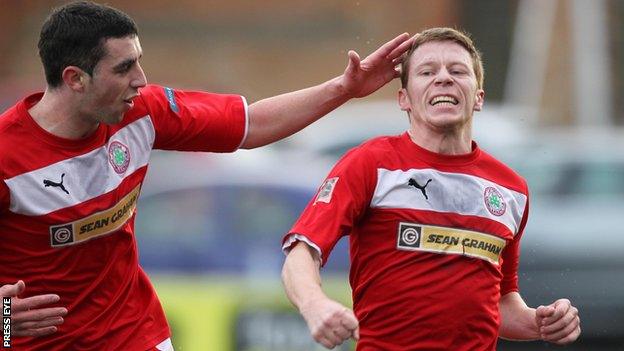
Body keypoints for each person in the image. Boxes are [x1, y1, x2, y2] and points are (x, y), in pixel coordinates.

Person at [0, 1, 414, 350]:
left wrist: (344, 88)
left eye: (139, 63)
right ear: (75, 78)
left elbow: (252, 124)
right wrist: (1, 322)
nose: (140, 81)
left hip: (133, 334)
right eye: (124, 68)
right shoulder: (7, 157)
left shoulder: (144, 112)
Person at [281, 27, 581, 350]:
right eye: (427, 71)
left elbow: (500, 301)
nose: (443, 78)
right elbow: (301, 253)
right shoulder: (370, 163)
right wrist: (315, 305)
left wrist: (541, 322)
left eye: (457, 71)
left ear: (478, 97)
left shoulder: (511, 188)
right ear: (404, 99)